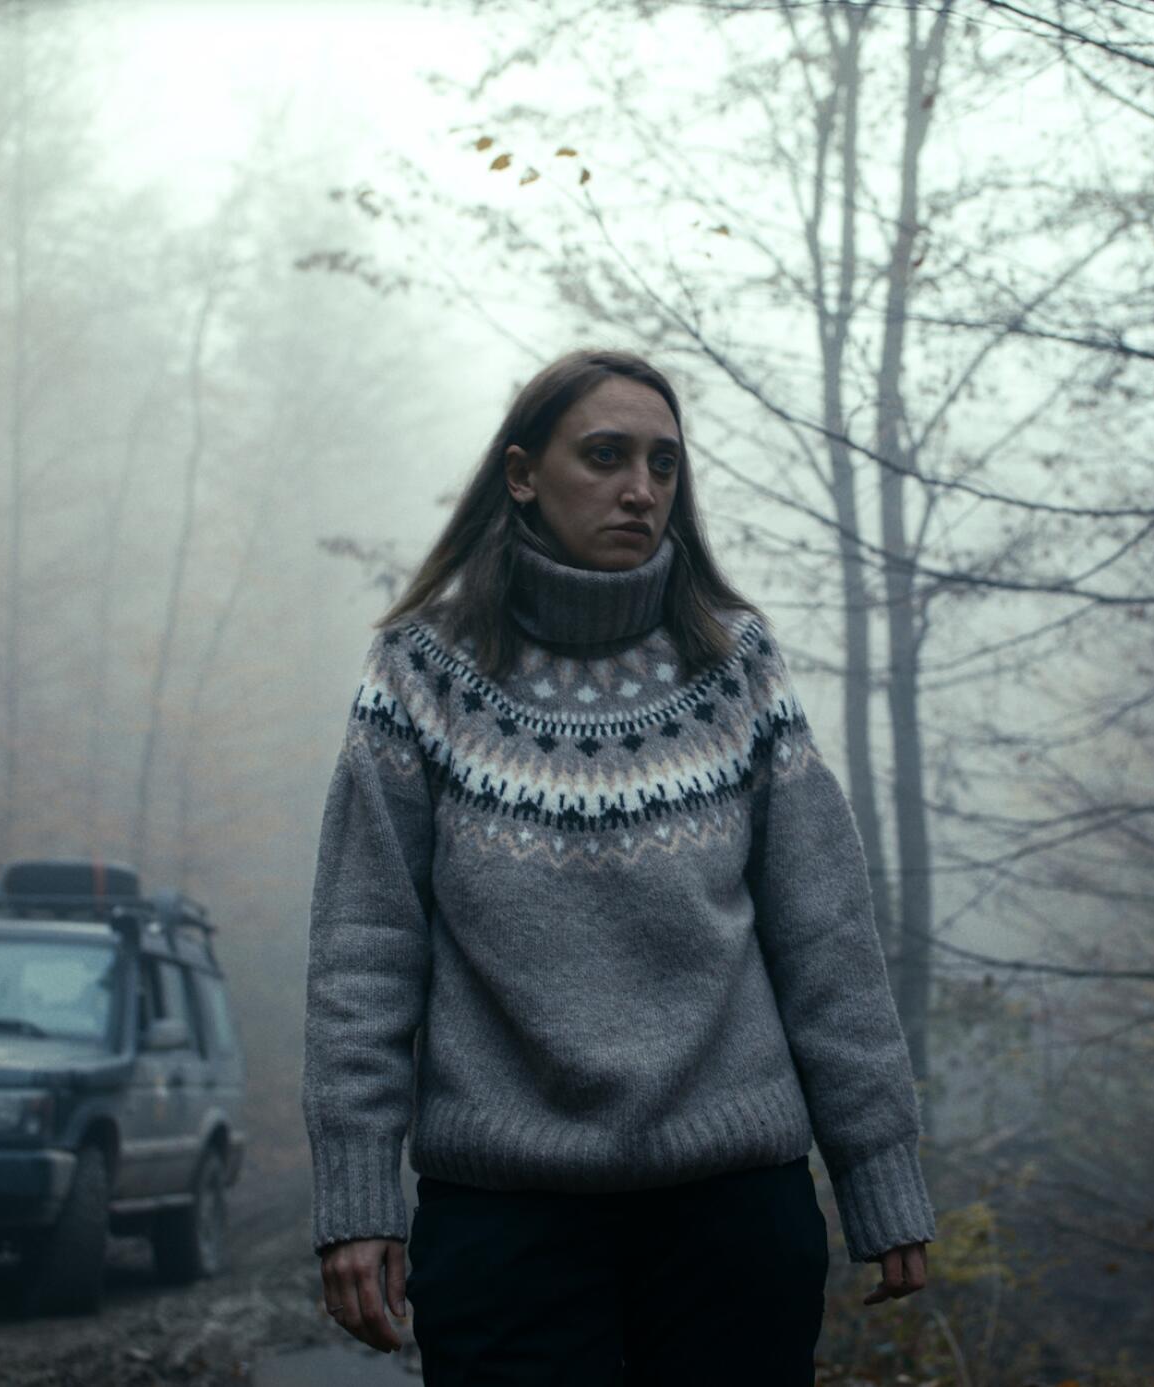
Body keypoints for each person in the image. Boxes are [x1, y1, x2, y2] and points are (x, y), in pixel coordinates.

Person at [304, 349, 934, 1385]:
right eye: (604, 456)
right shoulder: (422, 672)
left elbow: (824, 934)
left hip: (732, 1209)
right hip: (505, 1218)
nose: (640, 489)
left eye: (663, 464)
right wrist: (357, 1199)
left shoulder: (735, 666)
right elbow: (364, 950)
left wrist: (877, 1168)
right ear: (521, 474)